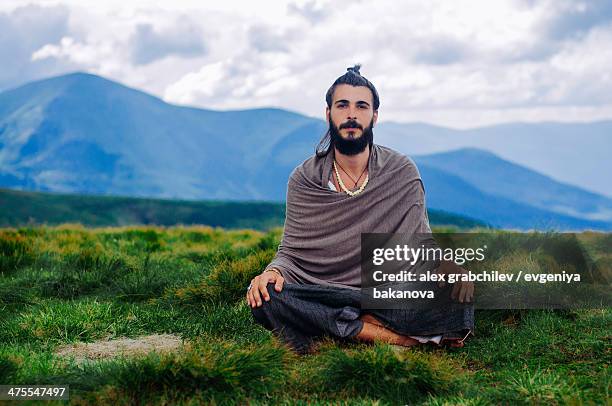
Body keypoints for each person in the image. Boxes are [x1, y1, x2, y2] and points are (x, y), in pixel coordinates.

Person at [247, 65, 474, 354]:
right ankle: (394, 338)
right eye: (342, 105)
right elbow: (291, 253)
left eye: (361, 106)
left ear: (374, 116)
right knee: (267, 297)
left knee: (459, 299)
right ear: (328, 114)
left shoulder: (401, 171)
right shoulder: (304, 179)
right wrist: (272, 272)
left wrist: (447, 267)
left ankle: (340, 328)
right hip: (324, 291)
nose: (351, 114)